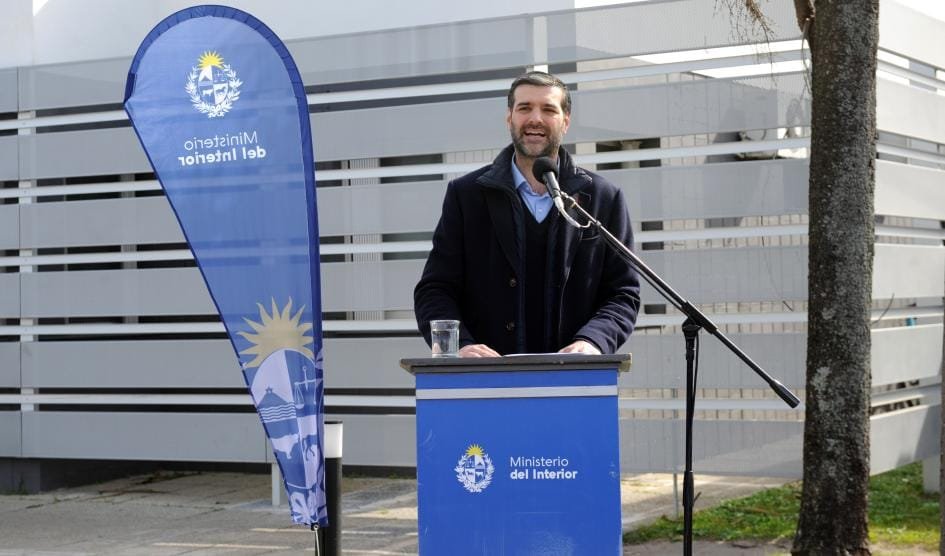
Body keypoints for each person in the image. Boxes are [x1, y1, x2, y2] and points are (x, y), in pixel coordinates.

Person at [414, 71, 640, 357]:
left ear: (566, 121)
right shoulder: (466, 196)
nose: (535, 119)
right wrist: (462, 346)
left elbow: (623, 293)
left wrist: (593, 342)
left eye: (548, 109)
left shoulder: (603, 198)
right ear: (509, 117)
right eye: (524, 108)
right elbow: (435, 290)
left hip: (575, 377)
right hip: (487, 378)